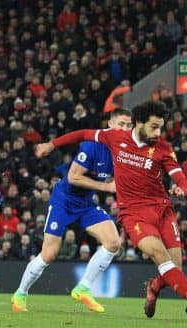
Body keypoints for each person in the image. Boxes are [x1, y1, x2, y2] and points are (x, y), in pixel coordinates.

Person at [34, 100, 187, 317]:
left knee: (175, 268)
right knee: (159, 255)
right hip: (134, 214)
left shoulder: (163, 148)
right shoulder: (115, 137)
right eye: (154, 127)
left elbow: (181, 178)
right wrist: (51, 144)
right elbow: (82, 134)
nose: (158, 132)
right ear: (138, 123)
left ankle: (153, 287)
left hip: (163, 211)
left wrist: (182, 188)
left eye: (160, 127)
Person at [11, 108, 133, 313]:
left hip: (86, 204)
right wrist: (106, 187)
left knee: (113, 243)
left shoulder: (125, 151)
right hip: (64, 201)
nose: (125, 129)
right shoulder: (94, 145)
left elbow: (113, 178)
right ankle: (20, 294)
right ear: (110, 124)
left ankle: (83, 288)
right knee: (49, 254)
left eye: (129, 125)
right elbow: (73, 177)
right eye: (121, 124)